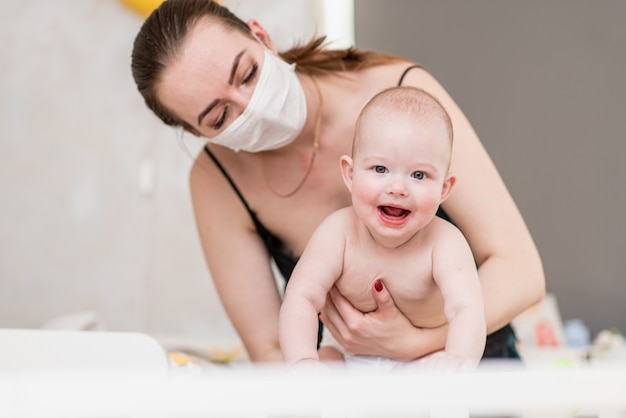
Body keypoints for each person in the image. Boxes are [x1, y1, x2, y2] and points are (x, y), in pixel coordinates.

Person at [131, 0, 545, 363]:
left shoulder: (401, 92)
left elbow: (521, 272)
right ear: (197, 133)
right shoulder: (216, 180)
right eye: (219, 117)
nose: (250, 106)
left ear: (261, 36)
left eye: (248, 73)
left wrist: (414, 344)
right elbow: (272, 351)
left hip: (475, 373)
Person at [279, 86, 486, 371]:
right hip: (345, 358)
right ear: (350, 175)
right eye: (380, 169)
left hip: (420, 362)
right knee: (324, 368)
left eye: (419, 174)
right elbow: (301, 297)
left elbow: (466, 309)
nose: (397, 188)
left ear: (444, 188)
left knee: (442, 387)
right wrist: (302, 360)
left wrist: (457, 359)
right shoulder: (337, 233)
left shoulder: (446, 243)